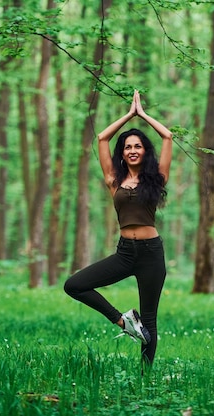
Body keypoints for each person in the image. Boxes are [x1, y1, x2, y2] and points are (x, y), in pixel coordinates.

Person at [64, 90, 172, 367]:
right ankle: (124, 321)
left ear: (144, 151)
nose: (133, 150)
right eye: (127, 147)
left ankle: (146, 380)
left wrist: (143, 114)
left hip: (151, 253)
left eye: (138, 146)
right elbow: (101, 138)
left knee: (149, 320)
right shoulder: (114, 179)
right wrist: (128, 115)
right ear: (122, 154)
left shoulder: (157, 179)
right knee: (74, 285)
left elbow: (168, 137)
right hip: (125, 253)